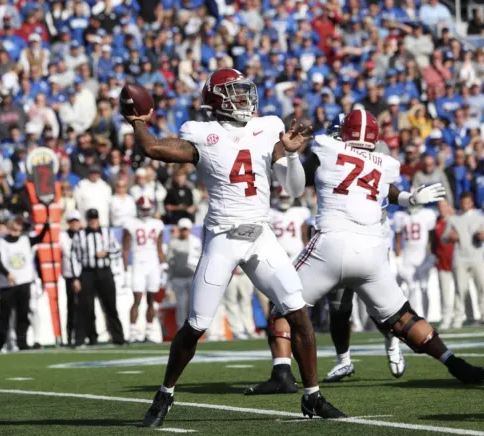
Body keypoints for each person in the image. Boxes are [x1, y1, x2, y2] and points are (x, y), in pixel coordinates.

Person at [124, 68, 341, 425]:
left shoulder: (268, 127)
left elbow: (296, 189)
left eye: (244, 91)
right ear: (216, 99)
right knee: (195, 325)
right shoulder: (201, 133)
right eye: (234, 92)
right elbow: (153, 149)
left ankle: (312, 396)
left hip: (260, 235)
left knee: (297, 310)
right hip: (223, 236)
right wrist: (138, 122)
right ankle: (164, 396)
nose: (244, 98)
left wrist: (288, 154)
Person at [256, 109, 484, 399]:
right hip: (371, 251)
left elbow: (298, 181)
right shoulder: (384, 163)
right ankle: (453, 362)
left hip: (331, 242)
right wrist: (407, 198)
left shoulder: (327, 147)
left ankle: (281, 373)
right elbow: (384, 188)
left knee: (282, 305)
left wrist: (289, 152)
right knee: (403, 317)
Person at [0, 215, 49, 351]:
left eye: (19, 224)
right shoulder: (0, 243)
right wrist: (7, 274)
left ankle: (22, 341)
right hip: (7, 285)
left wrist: (46, 228)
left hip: (24, 282)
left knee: (23, 314)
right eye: (15, 224)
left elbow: (39, 239)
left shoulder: (25, 240)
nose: (17, 227)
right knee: (4, 315)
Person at [70, 208, 126, 346]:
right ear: (87, 220)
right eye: (91, 219)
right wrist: (76, 278)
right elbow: (74, 257)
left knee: (110, 306)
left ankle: (118, 338)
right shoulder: (80, 235)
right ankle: (84, 339)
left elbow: (117, 249)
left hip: (105, 271)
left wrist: (106, 253)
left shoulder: (107, 232)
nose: (93, 221)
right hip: (87, 273)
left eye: (95, 218)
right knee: (86, 307)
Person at [442, 191, 484, 327]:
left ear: (471, 203)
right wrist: (450, 237)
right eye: (463, 202)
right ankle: (459, 317)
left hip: (477, 256)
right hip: (460, 258)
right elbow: (444, 238)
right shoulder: (453, 219)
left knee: (481, 286)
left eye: (467, 202)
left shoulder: (480, 217)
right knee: (460, 289)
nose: (465, 205)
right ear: (460, 203)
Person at [122, 195, 167, 343]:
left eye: (148, 209)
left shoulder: (158, 224)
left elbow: (159, 247)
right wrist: (125, 270)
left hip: (153, 264)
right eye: (143, 209)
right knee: (137, 299)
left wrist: (163, 265)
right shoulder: (130, 224)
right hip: (138, 264)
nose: (146, 212)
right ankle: (133, 332)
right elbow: (125, 249)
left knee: (151, 300)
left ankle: (148, 331)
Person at [393, 204, 438, 318]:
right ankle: (413, 319)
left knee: (424, 288)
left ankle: (426, 318)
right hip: (407, 257)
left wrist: (431, 256)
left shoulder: (427, 214)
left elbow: (432, 239)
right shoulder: (400, 216)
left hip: (423, 257)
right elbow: (398, 241)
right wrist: (398, 260)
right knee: (411, 288)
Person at [166, 218, 202, 329]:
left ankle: (194, 328)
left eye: (185, 229)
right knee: (181, 305)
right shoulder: (173, 242)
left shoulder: (195, 241)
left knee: (194, 304)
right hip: (178, 277)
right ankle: (181, 328)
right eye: (182, 229)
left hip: (192, 275)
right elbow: (169, 260)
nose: (184, 232)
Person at [434, 200, 456, 330]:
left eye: (443, 206)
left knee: (462, 290)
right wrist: (433, 255)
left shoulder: (455, 220)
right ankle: (446, 318)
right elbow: (433, 241)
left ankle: (468, 316)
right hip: (442, 260)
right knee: (444, 292)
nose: (441, 208)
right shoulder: (436, 222)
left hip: (456, 259)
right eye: (439, 206)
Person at [61, 209, 82, 346]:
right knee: (71, 307)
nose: (74, 224)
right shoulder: (63, 236)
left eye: (76, 221)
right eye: (72, 221)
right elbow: (67, 253)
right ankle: (70, 336)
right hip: (69, 274)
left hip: (84, 274)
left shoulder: (84, 235)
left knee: (84, 306)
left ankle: (83, 335)